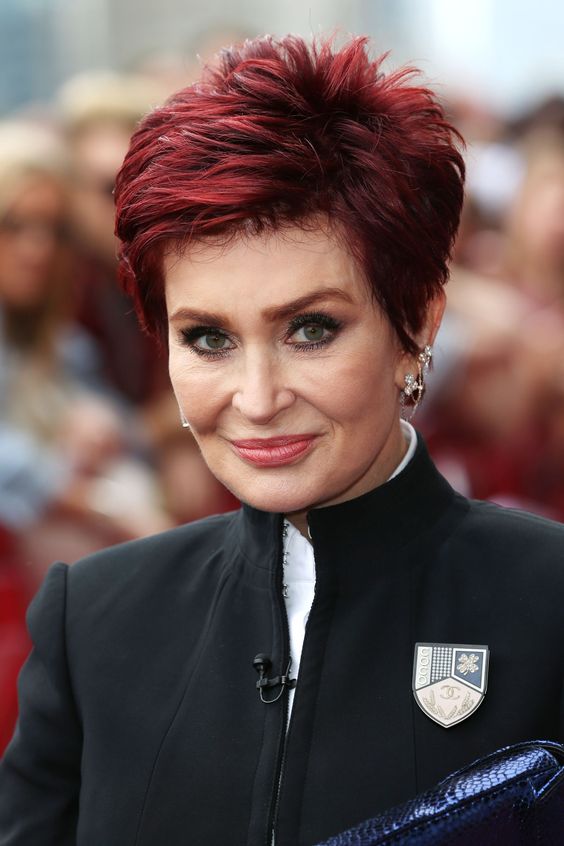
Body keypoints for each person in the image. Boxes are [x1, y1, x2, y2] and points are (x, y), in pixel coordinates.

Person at [0, 35, 562, 846]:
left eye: (311, 329)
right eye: (208, 339)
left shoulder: (548, 602)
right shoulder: (90, 621)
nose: (258, 399)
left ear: (416, 323)